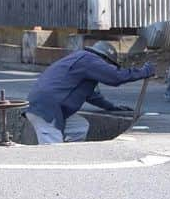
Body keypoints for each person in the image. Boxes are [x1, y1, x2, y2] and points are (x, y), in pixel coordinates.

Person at [25, 41, 154, 144]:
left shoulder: (82, 59)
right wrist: (144, 72)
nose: (109, 67)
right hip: (47, 109)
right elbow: (115, 77)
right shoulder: (90, 60)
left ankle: (71, 155)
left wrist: (111, 107)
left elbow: (92, 96)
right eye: (110, 65)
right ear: (105, 59)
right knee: (52, 152)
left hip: (46, 107)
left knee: (79, 127)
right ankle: (57, 172)